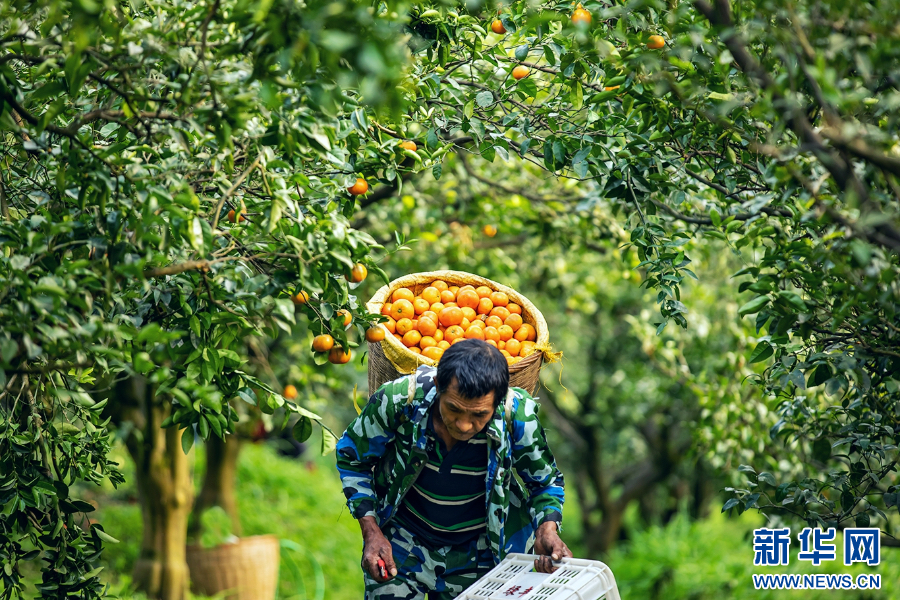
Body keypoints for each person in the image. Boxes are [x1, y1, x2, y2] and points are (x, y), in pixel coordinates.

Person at [336, 339, 570, 599]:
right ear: (438, 386)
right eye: (453, 409)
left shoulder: (517, 417)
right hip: (402, 542)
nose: (464, 426)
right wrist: (371, 532)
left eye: (479, 415)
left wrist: (547, 529)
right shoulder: (400, 400)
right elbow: (352, 458)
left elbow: (544, 483)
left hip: (479, 553)